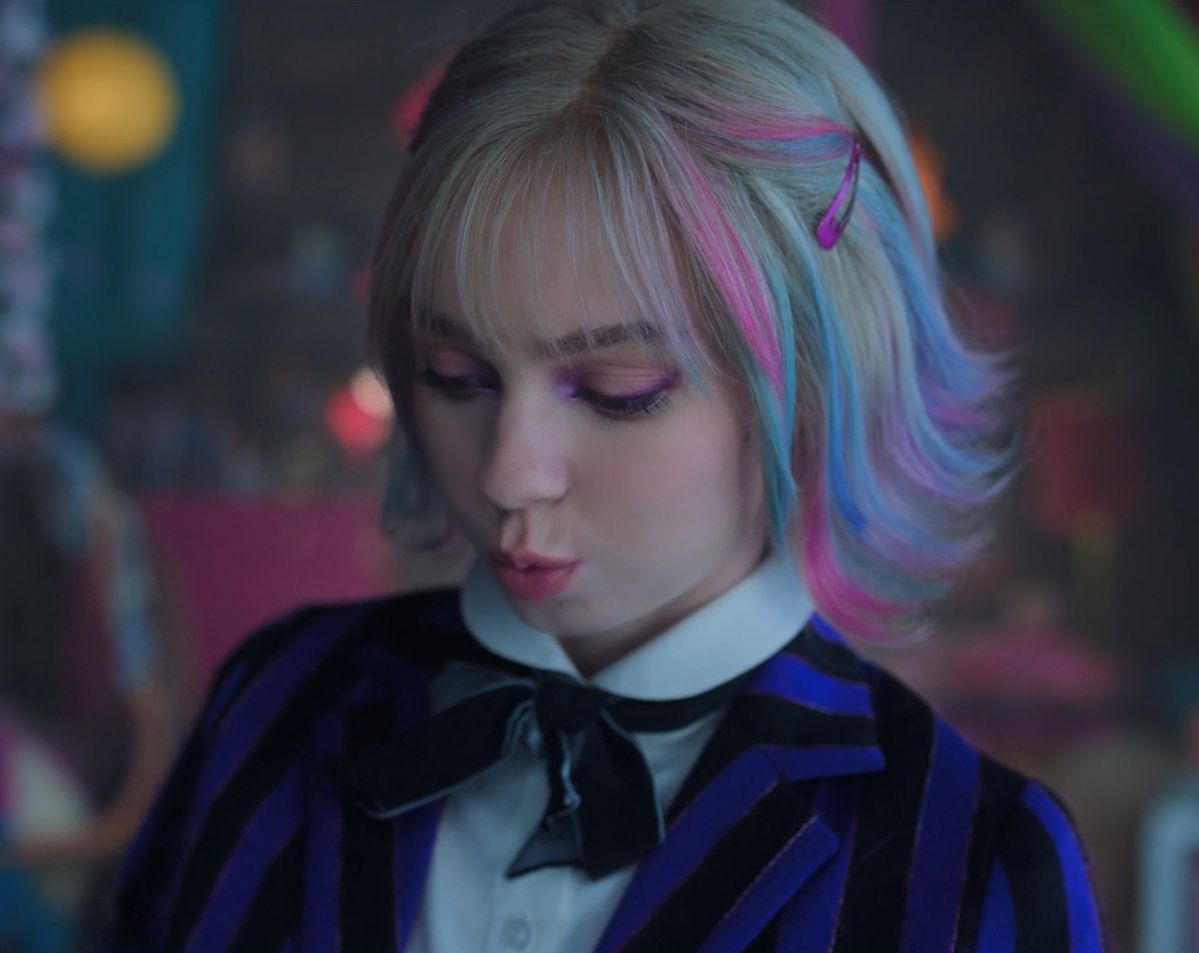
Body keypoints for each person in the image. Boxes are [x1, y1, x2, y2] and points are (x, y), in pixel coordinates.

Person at [99, 0, 1106, 950]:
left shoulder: (972, 858)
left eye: (618, 391)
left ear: (810, 384)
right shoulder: (276, 698)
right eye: (454, 376)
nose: (509, 473)